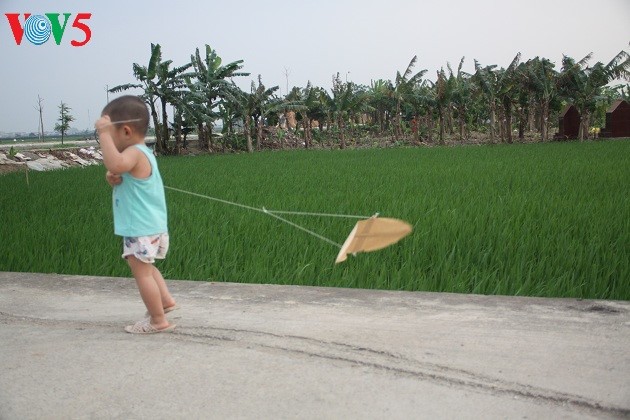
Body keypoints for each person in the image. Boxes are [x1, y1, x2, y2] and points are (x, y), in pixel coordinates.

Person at [95, 95, 177, 334]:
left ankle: (157, 320)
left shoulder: (133, 153)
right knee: (148, 269)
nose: (107, 140)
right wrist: (113, 178)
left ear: (127, 132)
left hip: (140, 228)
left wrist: (102, 134)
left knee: (142, 274)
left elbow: (115, 164)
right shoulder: (143, 153)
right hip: (151, 226)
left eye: (111, 134)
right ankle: (165, 301)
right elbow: (119, 171)